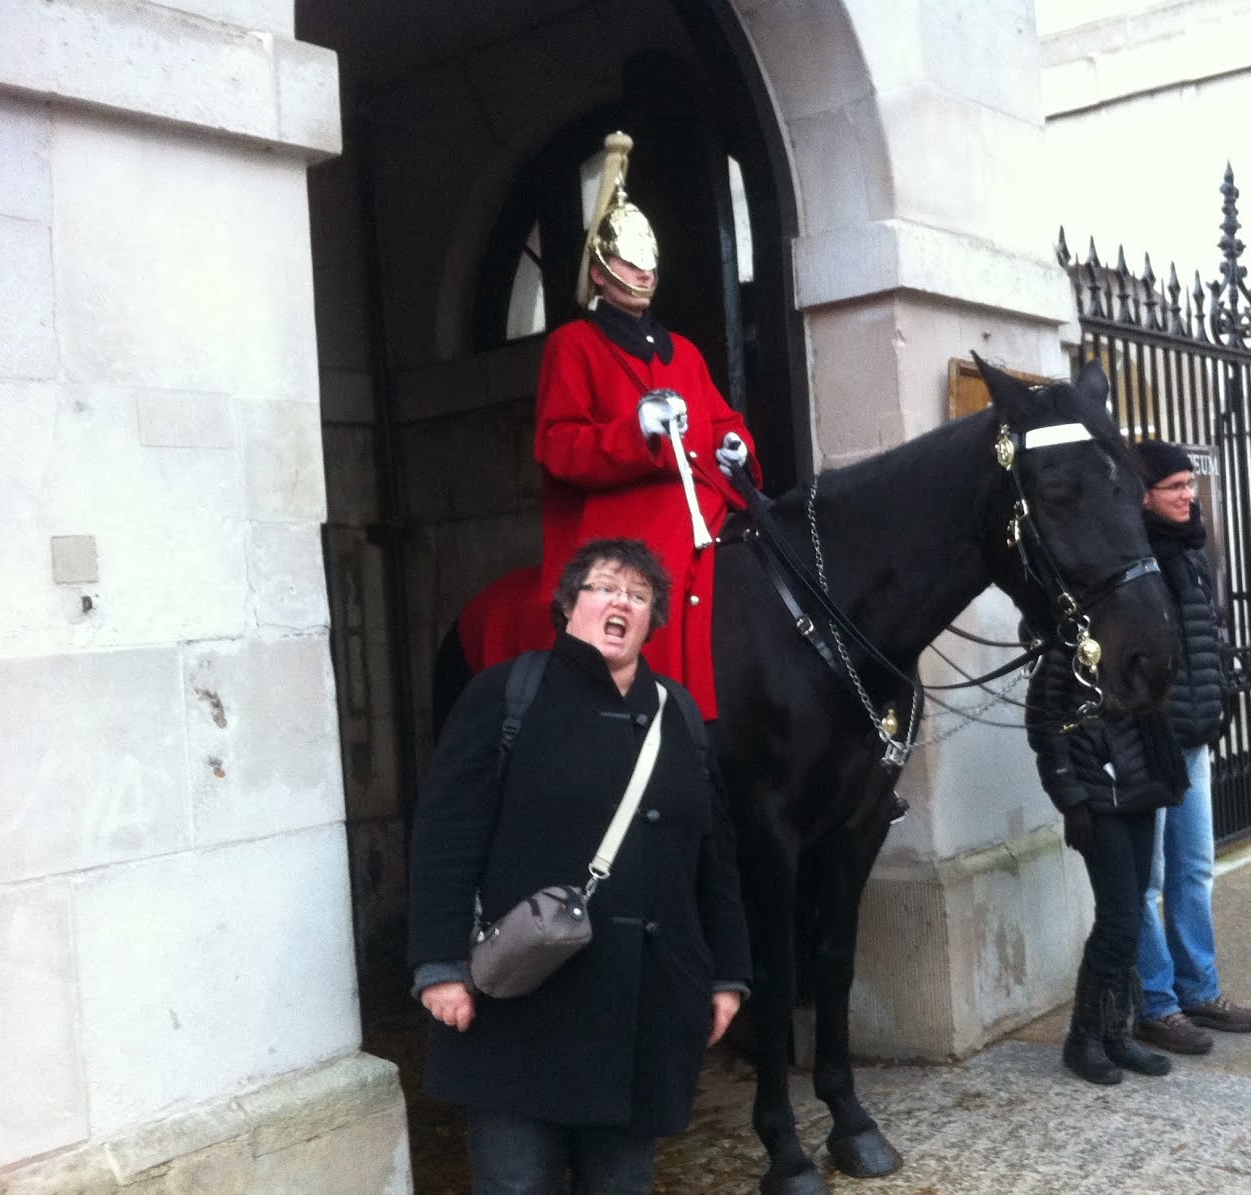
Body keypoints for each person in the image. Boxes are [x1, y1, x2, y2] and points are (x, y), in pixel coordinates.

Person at [407, 538, 752, 1194]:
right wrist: (439, 964)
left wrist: (728, 974)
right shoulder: (506, 695)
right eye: (604, 586)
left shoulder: (679, 714)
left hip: (640, 1018)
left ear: (655, 618)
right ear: (569, 604)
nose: (621, 600)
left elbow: (716, 861)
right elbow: (443, 837)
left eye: (640, 594)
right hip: (518, 1012)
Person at [513, 130, 759, 721]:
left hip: (707, 505)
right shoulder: (574, 346)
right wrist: (635, 431)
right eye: (626, 261)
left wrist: (735, 445)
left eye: (646, 262)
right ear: (600, 272)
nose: (641, 272)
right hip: (626, 521)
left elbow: (724, 421)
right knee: (650, 584)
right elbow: (558, 444)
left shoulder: (686, 352)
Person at [1129, 440, 1251, 1056]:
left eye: (1190, 483)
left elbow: (1210, 636)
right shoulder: (1130, 551)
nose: (1189, 495)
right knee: (1148, 877)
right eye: (1175, 486)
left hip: (1194, 735)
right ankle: (1155, 1004)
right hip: (1148, 737)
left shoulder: (1195, 547)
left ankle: (1199, 990)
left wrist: (1218, 701)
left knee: (1195, 869)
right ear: (1143, 494)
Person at [1025, 625, 1184, 1085]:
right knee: (1119, 920)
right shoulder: (1066, 640)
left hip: (1139, 786)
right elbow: (1045, 728)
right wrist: (1072, 802)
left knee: (1131, 912)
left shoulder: (1131, 629)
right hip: (1097, 802)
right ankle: (1083, 1039)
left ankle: (1115, 1034)